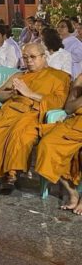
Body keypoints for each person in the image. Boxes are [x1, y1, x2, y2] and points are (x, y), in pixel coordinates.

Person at [0, 43, 70, 195]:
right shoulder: (19, 75)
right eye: (25, 58)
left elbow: (58, 102)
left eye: (33, 57)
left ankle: (11, 176)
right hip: (10, 111)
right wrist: (11, 93)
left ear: (44, 57)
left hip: (33, 114)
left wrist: (29, 93)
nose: (29, 61)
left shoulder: (59, 77)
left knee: (20, 133)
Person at [35, 72, 82, 214]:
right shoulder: (81, 78)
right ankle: (73, 193)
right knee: (47, 145)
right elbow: (68, 108)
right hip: (76, 123)